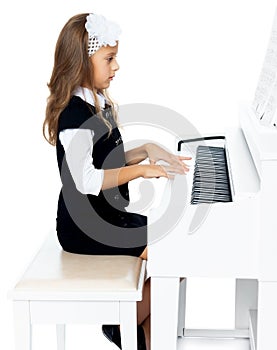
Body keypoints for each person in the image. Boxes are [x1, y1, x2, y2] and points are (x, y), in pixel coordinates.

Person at [43, 13, 191, 350]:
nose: (117, 66)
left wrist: (146, 151)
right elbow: (86, 180)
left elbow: (106, 160)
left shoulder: (98, 102)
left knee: (182, 250)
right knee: (177, 257)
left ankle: (137, 331)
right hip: (85, 227)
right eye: (109, 58)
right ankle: (119, 324)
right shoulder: (74, 115)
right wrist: (140, 171)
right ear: (82, 62)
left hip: (107, 218)